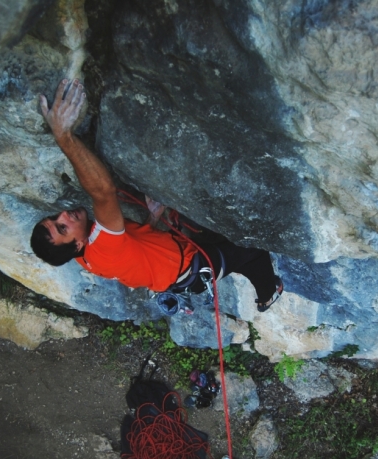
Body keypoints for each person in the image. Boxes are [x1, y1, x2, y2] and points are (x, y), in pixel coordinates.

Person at [30, 79, 284, 311]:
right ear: (76, 244)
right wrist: (64, 136)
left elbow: (132, 252)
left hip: (181, 264)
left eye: (54, 218)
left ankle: (253, 275)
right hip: (195, 267)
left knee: (231, 251)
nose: (63, 215)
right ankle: (268, 295)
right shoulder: (102, 249)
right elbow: (104, 192)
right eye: (62, 227)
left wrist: (151, 218)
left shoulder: (79, 255)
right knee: (254, 251)